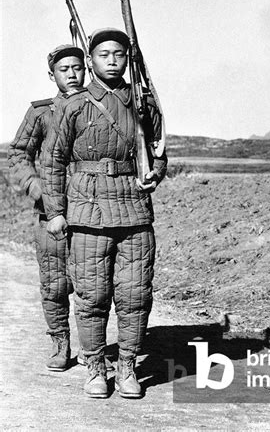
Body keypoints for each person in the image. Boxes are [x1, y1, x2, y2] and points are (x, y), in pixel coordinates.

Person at [41, 28, 167, 399]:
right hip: (87, 210)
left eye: (119, 54)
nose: (113, 60)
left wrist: (155, 173)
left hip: (134, 210)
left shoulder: (142, 102)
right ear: (90, 61)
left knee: (135, 295)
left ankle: (128, 366)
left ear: (128, 59)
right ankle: (96, 366)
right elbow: (53, 162)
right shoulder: (74, 104)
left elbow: (159, 149)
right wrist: (56, 212)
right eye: (104, 54)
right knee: (92, 295)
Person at [8, 44, 86, 371]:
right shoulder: (41, 113)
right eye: (63, 69)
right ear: (51, 74)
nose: (71, 74)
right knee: (55, 284)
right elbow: (17, 156)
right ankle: (59, 341)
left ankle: (92, 348)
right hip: (50, 214)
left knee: (94, 285)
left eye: (77, 67)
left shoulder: (97, 109)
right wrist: (36, 188)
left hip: (93, 212)